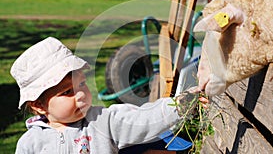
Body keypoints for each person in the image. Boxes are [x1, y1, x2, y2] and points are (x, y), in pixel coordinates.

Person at [11, 37, 209, 154]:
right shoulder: (30, 144)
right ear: (39, 105)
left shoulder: (101, 122)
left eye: (81, 84)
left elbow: (143, 119)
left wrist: (178, 106)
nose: (81, 94)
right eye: (67, 92)